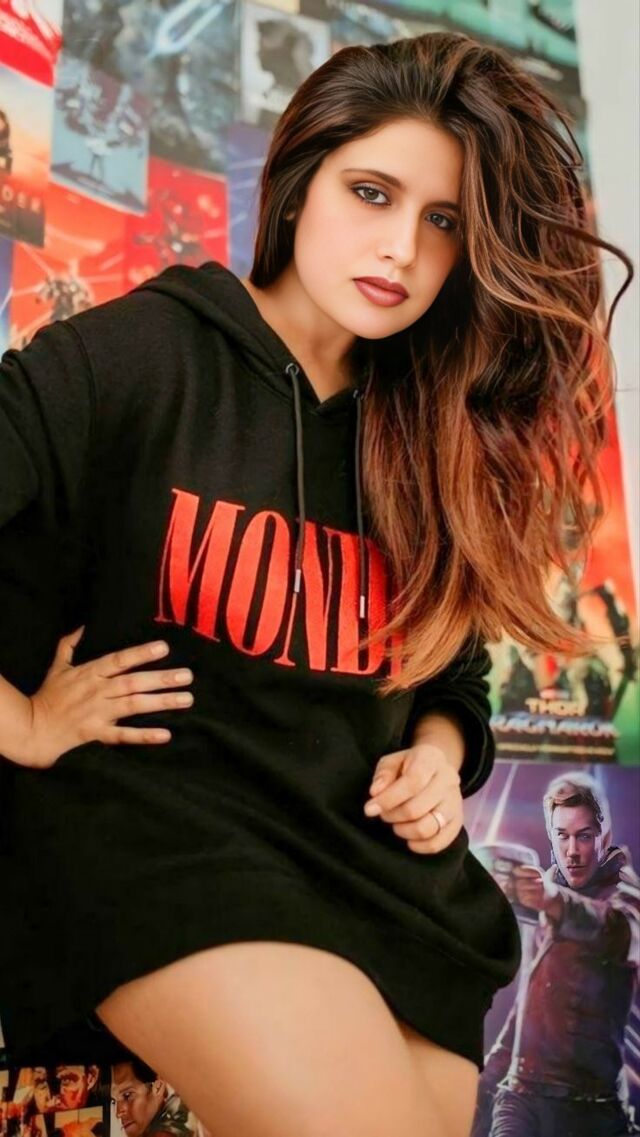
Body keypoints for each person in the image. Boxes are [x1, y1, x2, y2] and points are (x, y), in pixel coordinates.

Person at [0, 29, 632, 1137]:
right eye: (371, 192)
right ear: (298, 183)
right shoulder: (140, 356)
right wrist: (23, 721)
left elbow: (452, 671)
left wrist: (437, 756)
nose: (402, 248)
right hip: (169, 841)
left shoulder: (426, 425)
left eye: (444, 221)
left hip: (382, 877)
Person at [473, 772, 640, 1137]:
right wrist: (481, 1084)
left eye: (584, 836)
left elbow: (616, 931)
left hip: (590, 1109)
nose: (572, 851)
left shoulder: (625, 897)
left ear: (605, 836)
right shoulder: (548, 893)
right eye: (562, 836)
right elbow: (529, 1009)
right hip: (521, 1098)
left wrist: (553, 901)